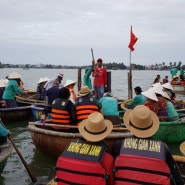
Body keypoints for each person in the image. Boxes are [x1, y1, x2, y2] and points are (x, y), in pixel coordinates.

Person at [112, 105, 184, 185]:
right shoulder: (163, 148)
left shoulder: (118, 147)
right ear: (151, 125)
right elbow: (177, 180)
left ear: (130, 125)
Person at [55, 112, 114, 185]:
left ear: (85, 132)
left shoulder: (66, 152)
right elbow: (111, 182)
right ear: (104, 134)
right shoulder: (107, 159)